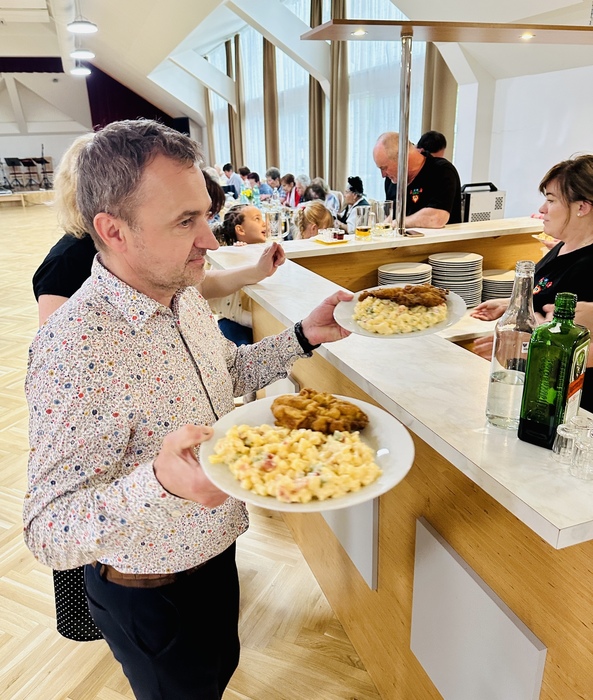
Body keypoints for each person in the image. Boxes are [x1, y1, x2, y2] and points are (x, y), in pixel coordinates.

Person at [23, 118, 351, 700]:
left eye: (205, 215)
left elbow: (229, 374)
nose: (212, 240)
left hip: (216, 549)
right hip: (152, 589)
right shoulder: (74, 347)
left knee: (217, 674)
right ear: (113, 230)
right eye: (185, 221)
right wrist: (157, 481)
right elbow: (48, 531)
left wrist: (304, 335)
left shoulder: (182, 294)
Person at [470, 154, 593, 411]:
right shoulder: (562, 246)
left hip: (563, 403)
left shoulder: (588, 266)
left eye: (551, 200)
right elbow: (544, 296)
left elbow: (580, 349)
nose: (542, 209)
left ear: (582, 207)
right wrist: (511, 305)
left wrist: (519, 348)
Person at [210, 204, 277, 345]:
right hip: (233, 322)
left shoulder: (266, 250)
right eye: (257, 219)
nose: (264, 223)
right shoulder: (231, 254)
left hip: (258, 320)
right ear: (240, 230)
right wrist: (236, 256)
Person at [373, 131, 462, 228]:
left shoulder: (442, 171)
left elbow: (437, 218)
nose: (383, 175)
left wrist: (398, 223)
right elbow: (392, 216)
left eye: (384, 168)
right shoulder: (392, 181)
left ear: (402, 158)